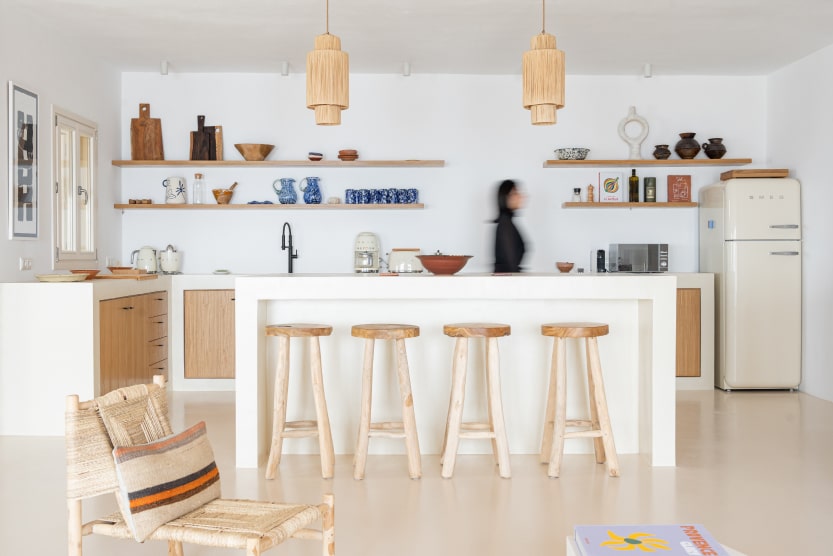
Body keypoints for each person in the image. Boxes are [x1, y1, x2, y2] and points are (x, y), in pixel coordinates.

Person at [493, 179, 526, 273]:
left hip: (507, 282)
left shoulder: (506, 222)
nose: (520, 196)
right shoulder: (505, 224)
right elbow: (510, 263)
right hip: (506, 284)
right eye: (515, 193)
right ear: (506, 197)